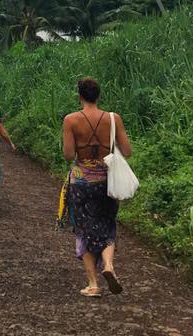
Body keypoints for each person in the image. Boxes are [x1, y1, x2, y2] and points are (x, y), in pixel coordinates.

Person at [62, 77, 132, 298]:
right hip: (107, 181)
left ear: (80, 96)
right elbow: (127, 151)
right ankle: (109, 266)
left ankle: (92, 284)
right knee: (107, 224)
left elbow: (68, 155)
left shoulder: (71, 120)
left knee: (83, 229)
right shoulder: (113, 119)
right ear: (98, 95)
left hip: (82, 182)